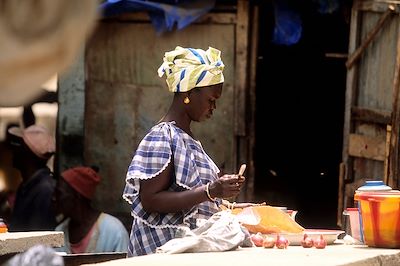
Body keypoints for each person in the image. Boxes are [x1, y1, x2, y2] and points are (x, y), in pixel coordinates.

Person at [123, 46, 250, 257]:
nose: (213, 108)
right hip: (161, 251)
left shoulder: (187, 138)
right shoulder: (162, 136)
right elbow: (150, 200)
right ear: (189, 93)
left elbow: (190, 200)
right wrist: (211, 191)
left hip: (182, 248)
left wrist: (222, 199)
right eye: (211, 100)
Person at [53, 166, 129, 254]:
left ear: (77, 196)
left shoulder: (114, 231)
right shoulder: (60, 232)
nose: (54, 198)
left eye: (59, 193)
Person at [7, 124, 57, 231]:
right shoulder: (26, 186)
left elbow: (38, 238)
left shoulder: (45, 190)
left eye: (18, 146)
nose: (14, 150)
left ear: (28, 154)